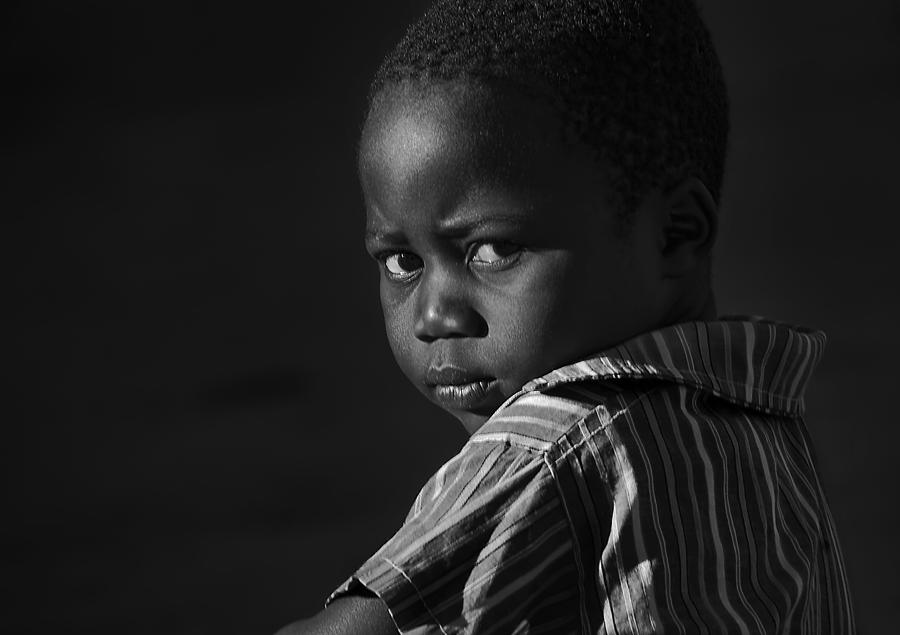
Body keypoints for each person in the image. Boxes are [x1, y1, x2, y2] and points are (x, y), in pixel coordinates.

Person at [276, 0, 855, 632]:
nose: (435, 314)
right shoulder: (759, 423)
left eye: (492, 251)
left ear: (675, 234)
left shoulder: (549, 449)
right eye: (400, 261)